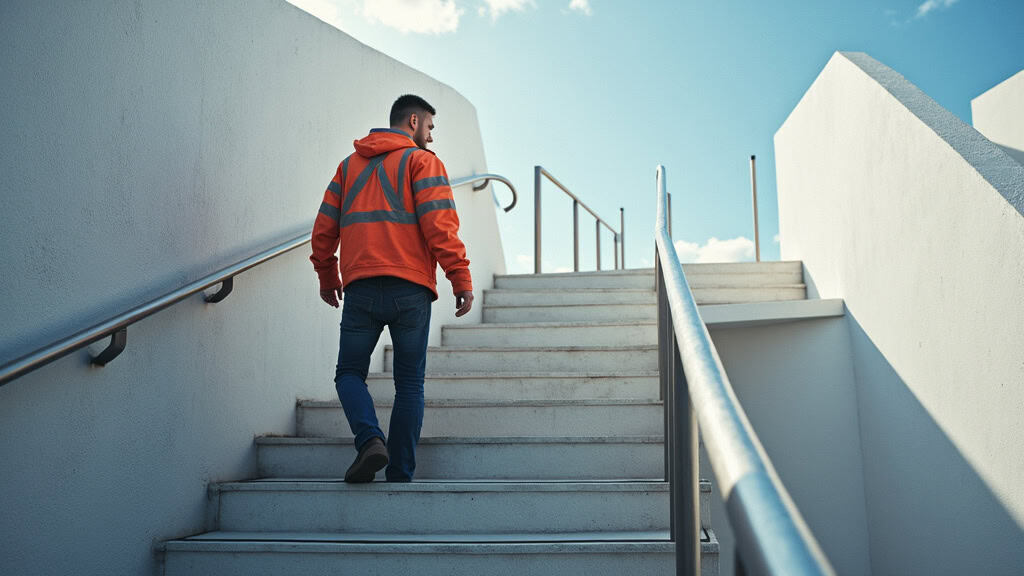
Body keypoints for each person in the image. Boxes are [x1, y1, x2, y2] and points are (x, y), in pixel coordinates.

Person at [310, 94, 474, 483]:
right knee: (410, 383)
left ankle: (369, 441)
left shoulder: (348, 167)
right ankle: (400, 473)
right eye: (430, 127)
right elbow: (440, 227)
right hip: (411, 290)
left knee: (349, 373)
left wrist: (327, 276)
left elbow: (323, 230)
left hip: (361, 288)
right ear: (413, 121)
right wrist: (460, 278)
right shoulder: (422, 162)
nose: (431, 137)